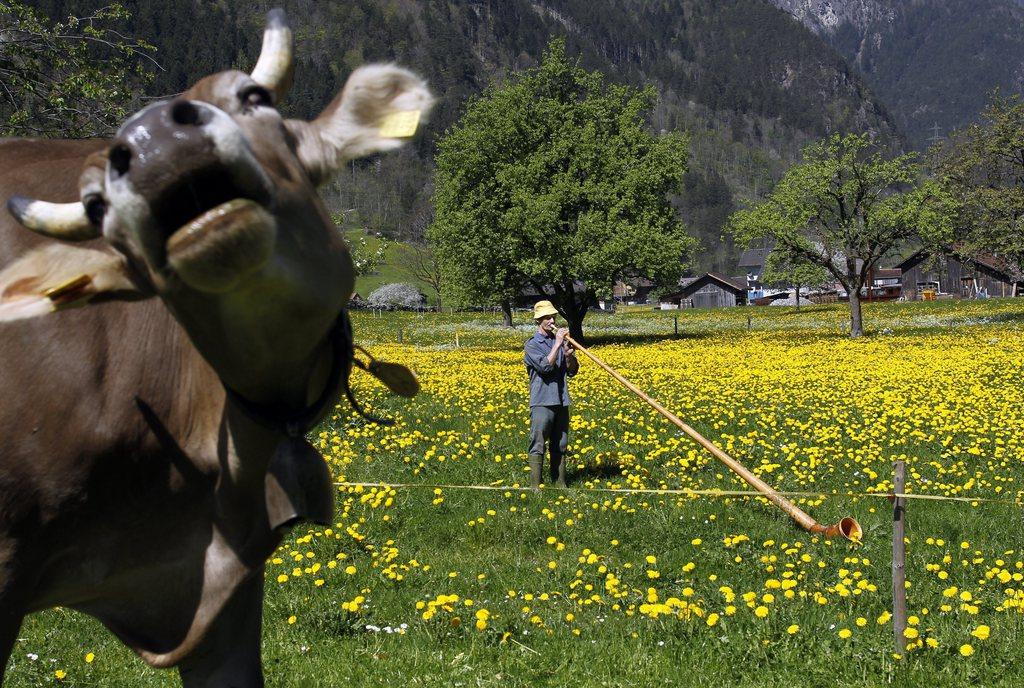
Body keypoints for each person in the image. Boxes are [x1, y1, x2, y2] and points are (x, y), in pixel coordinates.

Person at [523, 300, 579, 489]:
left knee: (560, 443)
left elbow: (572, 371)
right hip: (542, 400)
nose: (551, 320)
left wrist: (569, 356)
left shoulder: (560, 342)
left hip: (561, 399)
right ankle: (535, 487)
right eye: (547, 317)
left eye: (553, 316)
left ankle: (560, 484)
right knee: (538, 442)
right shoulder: (532, 345)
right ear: (538, 320)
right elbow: (545, 367)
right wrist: (557, 345)